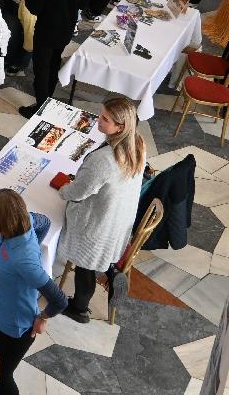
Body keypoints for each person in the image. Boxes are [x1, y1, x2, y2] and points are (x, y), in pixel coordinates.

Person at [55, 97, 146, 323]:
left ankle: (79, 309)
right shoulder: (138, 143)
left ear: (120, 127)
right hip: (120, 219)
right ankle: (112, 271)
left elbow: (79, 192)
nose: (99, 120)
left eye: (105, 119)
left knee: (85, 266)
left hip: (98, 226)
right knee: (100, 257)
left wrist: (64, 189)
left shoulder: (104, 160)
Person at [0, 189, 68, 395]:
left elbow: (60, 300)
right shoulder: (23, 221)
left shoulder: (25, 262)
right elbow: (45, 222)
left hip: (13, 329)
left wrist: (43, 317)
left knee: (2, 379)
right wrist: (35, 245)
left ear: (5, 221)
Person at [21, 0, 89, 116]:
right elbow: (83, 4)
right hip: (66, 29)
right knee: (54, 62)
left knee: (41, 68)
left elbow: (35, 8)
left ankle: (41, 107)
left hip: (46, 30)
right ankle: (49, 96)